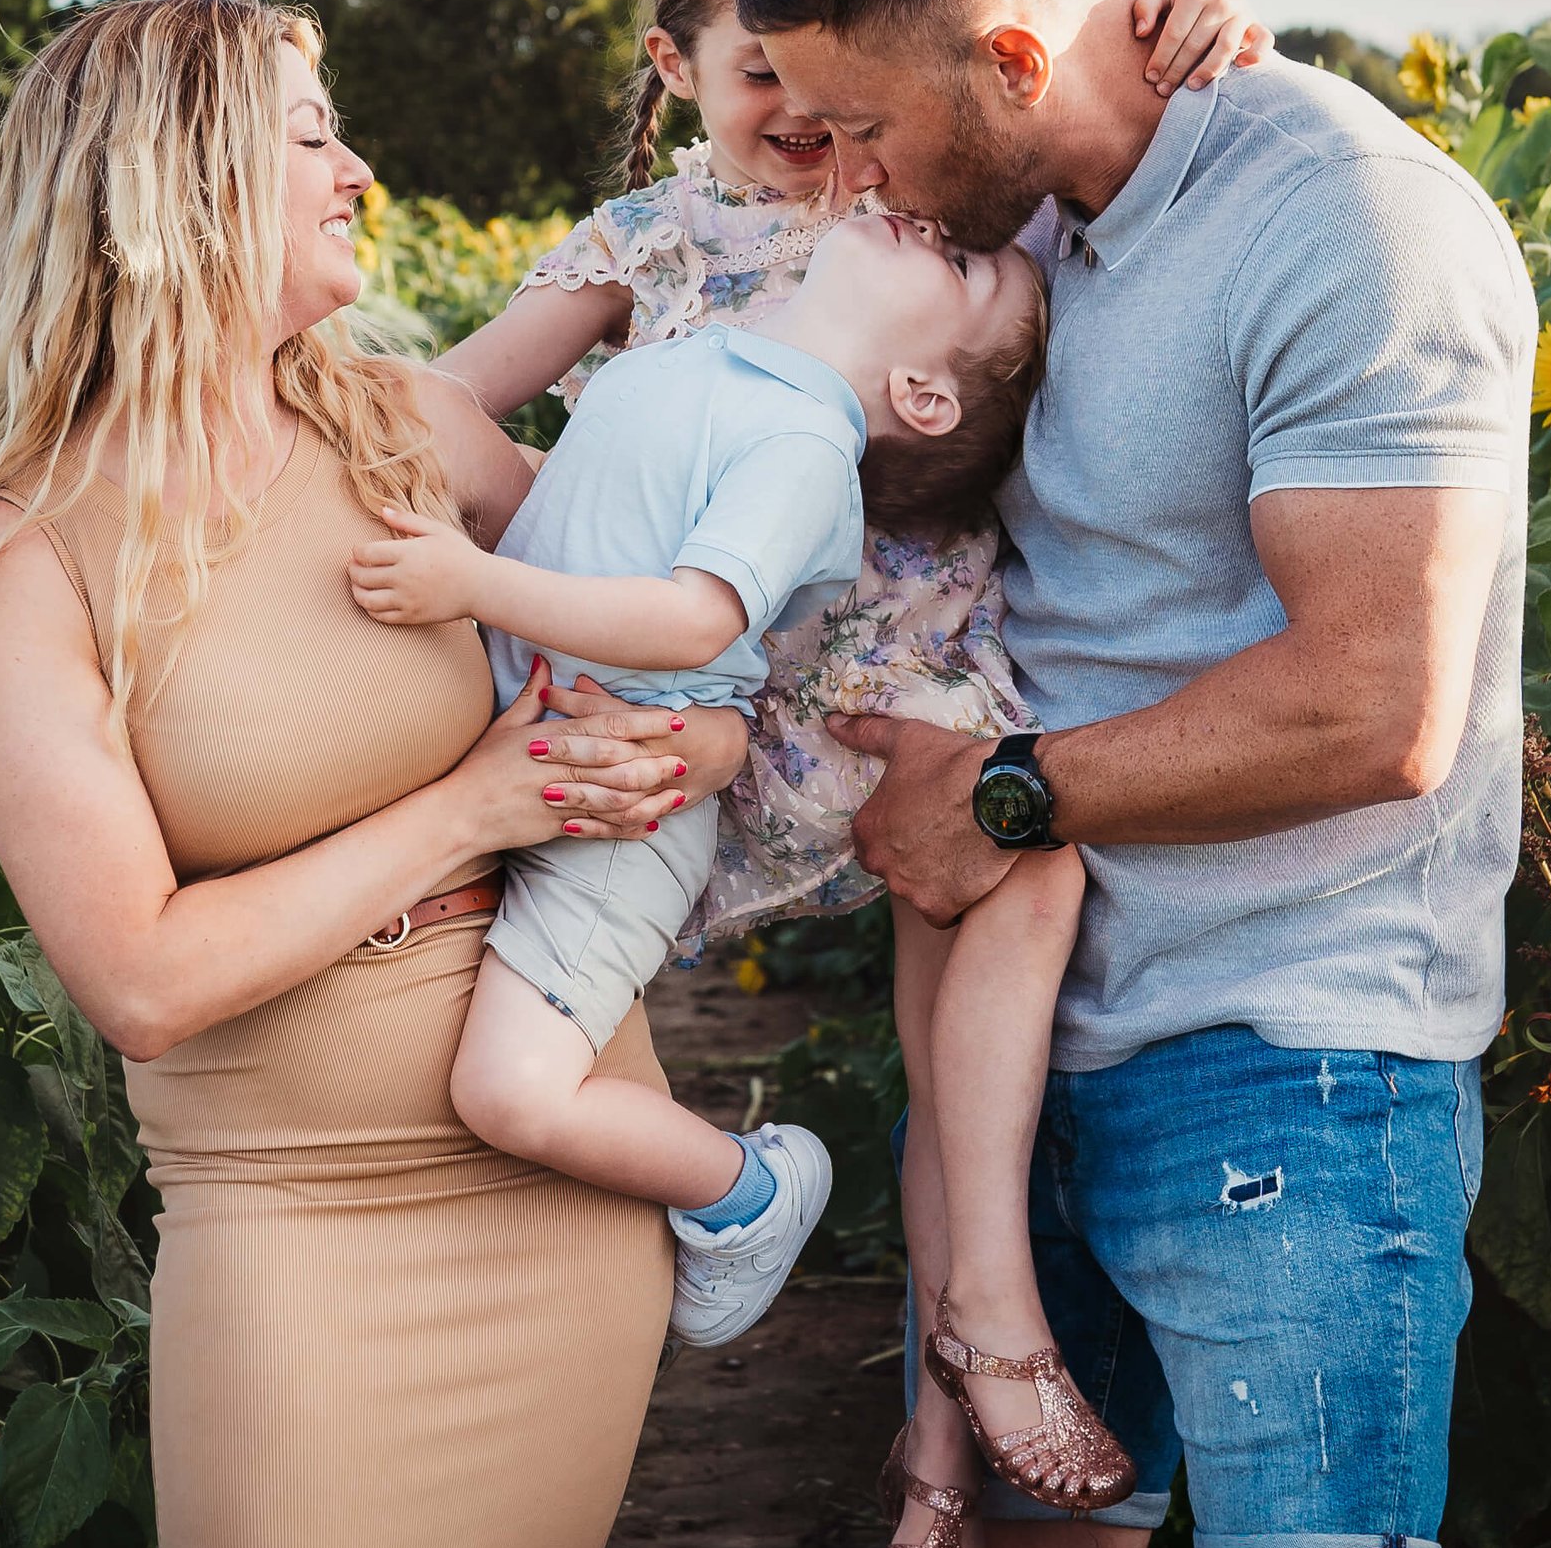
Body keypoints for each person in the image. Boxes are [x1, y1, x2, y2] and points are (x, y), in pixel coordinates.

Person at [432, 0, 1271, 1548]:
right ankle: (971, 1330)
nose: (817, 141)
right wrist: (538, 537)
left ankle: (942, 1435)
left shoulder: (919, 207)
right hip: (752, 672)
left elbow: (1044, 71)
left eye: (841, 107)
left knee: (970, 1010)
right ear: (676, 69)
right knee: (997, 917)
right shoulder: (659, 241)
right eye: (765, 94)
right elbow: (456, 404)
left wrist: (1185, 0)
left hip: (907, 656)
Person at [741, 0, 1535, 1548]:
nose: (852, 178)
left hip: (1291, 1037)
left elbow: (1375, 703)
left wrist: (1002, 799)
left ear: (1015, 58)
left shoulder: (1349, 218)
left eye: (870, 127)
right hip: (1039, 1037)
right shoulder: (1038, 226)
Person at [0, 0, 756, 1548]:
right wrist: (471, 805)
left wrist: (700, 744)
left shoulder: (409, 433)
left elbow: (694, 632)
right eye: (308, 136)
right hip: (289, 1213)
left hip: (554, 1172)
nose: (358, 169)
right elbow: (140, 976)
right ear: (176, 182)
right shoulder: (21, 558)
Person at [352, 210, 1084, 1385]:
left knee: (504, 1087)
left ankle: (745, 1189)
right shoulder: (701, 356)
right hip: (530, 746)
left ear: (923, 395)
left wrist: (472, 581)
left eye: (955, 264)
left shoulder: (800, 445)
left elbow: (700, 619)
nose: (922, 226)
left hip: (616, 811)